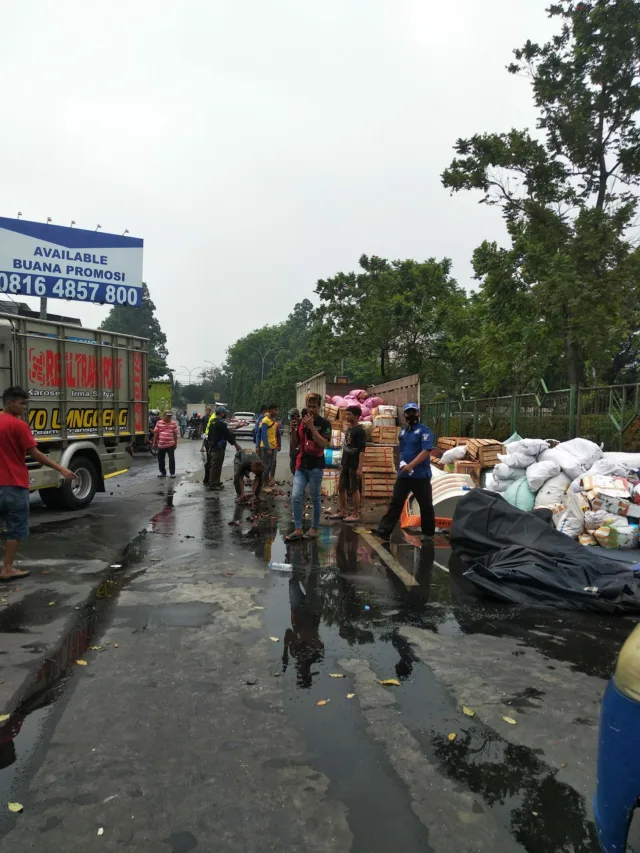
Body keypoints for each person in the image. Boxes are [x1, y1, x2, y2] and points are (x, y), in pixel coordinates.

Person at [0, 386, 76, 581]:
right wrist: (61, 468)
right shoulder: (18, 426)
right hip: (14, 484)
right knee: (15, 527)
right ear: (9, 403)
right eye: (21, 403)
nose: (24, 407)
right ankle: (7, 568)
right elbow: (35, 454)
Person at [373, 402, 435, 542]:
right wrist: (401, 466)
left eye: (414, 412)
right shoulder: (402, 432)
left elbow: (426, 451)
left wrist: (411, 465)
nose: (411, 415)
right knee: (396, 502)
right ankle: (384, 530)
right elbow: (402, 451)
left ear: (418, 414)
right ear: (404, 415)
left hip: (420, 475)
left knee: (425, 504)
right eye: (408, 412)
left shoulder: (425, 431)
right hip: (404, 475)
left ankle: (428, 533)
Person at [286, 393, 331, 542]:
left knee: (315, 498)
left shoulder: (325, 423)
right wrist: (292, 431)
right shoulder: (301, 422)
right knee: (295, 496)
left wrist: (312, 427)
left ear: (319, 407)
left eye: (314, 406)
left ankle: (314, 528)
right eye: (309, 406)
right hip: (301, 465)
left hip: (316, 466)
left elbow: (324, 443)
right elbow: (294, 444)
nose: (311, 409)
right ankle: (298, 529)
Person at [331, 405, 366, 523]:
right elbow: (346, 447)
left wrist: (360, 468)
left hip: (354, 464)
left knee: (354, 489)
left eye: (349, 414)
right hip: (345, 463)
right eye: (346, 414)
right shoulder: (350, 429)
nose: (346, 416)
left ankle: (355, 514)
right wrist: (342, 462)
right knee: (341, 487)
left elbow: (362, 450)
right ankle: (343, 511)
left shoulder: (360, 431)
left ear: (356, 416)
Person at [207, 407, 241, 490]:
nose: (225, 414)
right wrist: (235, 444)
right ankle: (213, 484)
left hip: (213, 446)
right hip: (218, 447)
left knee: (217, 465)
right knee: (216, 466)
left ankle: (216, 481)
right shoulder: (221, 423)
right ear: (222, 413)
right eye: (224, 413)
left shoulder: (212, 421)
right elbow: (227, 435)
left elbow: (210, 434)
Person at [258, 403, 280, 491]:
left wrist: (277, 445)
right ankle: (264, 485)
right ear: (270, 410)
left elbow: (275, 434)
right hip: (266, 447)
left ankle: (268, 482)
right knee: (266, 466)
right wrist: (267, 448)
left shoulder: (274, 421)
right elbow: (263, 435)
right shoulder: (265, 421)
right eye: (275, 410)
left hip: (273, 446)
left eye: (277, 410)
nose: (277, 412)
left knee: (271, 465)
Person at [153, 410, 178, 478]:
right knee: (160, 459)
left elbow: (175, 434)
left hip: (170, 444)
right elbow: (156, 433)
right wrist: (154, 443)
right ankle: (163, 472)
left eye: (170, 416)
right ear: (164, 416)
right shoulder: (159, 423)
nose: (169, 417)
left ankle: (172, 473)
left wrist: (175, 443)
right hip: (161, 444)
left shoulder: (173, 423)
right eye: (168, 416)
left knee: (171, 459)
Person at [288, 408, 303, 475]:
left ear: (296, 416)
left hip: (298, 450)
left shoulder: (301, 424)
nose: (290, 418)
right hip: (293, 451)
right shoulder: (292, 424)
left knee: (296, 468)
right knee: (292, 468)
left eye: (292, 416)